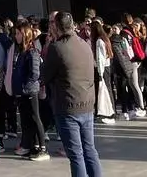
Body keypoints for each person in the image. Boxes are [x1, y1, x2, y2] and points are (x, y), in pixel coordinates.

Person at [41, 12, 103, 177]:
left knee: (76, 155)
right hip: (87, 103)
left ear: (56, 27)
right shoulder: (84, 44)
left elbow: (45, 76)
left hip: (68, 106)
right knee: (89, 150)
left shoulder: (57, 47)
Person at [7, 23, 47, 160]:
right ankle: (30, 145)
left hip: (30, 91)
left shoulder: (32, 52)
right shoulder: (21, 51)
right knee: (25, 120)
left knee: (35, 117)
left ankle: (42, 147)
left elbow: (35, 73)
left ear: (25, 35)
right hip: (21, 91)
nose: (16, 36)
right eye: (16, 33)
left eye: (19, 33)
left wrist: (25, 86)